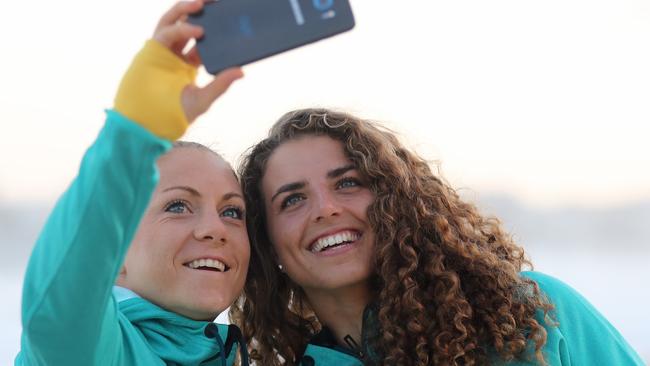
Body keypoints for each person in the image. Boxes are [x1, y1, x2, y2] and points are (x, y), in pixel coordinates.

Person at [233, 108, 644, 365]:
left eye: (347, 183)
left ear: (397, 203)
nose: (324, 208)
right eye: (292, 200)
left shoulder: (535, 315)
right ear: (268, 245)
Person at [15, 1, 250, 365]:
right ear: (115, 252)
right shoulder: (85, 350)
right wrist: (135, 131)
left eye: (232, 211)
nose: (213, 229)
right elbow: (61, 299)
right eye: (177, 206)